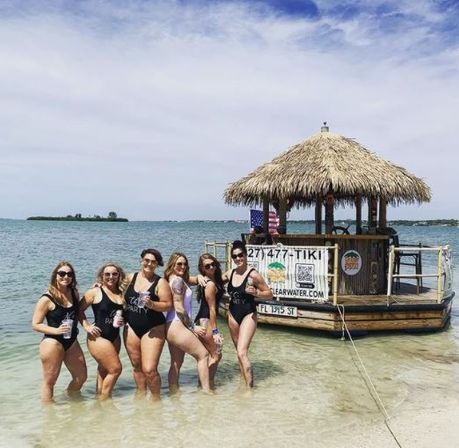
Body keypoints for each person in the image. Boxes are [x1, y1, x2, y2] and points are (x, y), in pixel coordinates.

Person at [32, 262, 87, 402]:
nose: (65, 277)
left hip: (71, 340)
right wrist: (56, 330)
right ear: (55, 276)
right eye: (62, 273)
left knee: (81, 377)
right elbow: (36, 324)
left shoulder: (73, 293)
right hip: (52, 342)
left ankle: (70, 400)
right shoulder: (47, 298)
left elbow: (79, 312)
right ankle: (50, 416)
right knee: (50, 382)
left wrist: (86, 325)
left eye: (69, 274)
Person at [123, 249, 172, 399]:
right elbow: (114, 289)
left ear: (157, 264)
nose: (149, 264)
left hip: (153, 327)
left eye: (153, 262)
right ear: (141, 260)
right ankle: (141, 394)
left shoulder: (160, 282)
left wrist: (152, 304)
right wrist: (97, 286)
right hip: (131, 326)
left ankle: (156, 399)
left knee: (149, 369)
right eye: (146, 260)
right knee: (137, 365)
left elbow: (168, 304)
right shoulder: (130, 277)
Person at [225, 240, 272, 388]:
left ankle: (249, 390)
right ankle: (243, 382)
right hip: (232, 314)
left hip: (248, 314)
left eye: (240, 255)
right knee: (238, 352)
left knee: (241, 352)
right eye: (235, 256)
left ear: (245, 255)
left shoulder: (253, 275)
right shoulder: (230, 273)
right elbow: (213, 279)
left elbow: (269, 294)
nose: (238, 259)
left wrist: (257, 293)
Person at [79, 263, 127, 400]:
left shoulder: (122, 293)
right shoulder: (95, 292)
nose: (111, 277)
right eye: (107, 274)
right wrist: (87, 326)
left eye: (114, 274)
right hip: (98, 337)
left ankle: (98, 399)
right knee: (116, 369)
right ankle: (105, 400)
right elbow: (79, 310)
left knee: (104, 369)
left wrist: (124, 321)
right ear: (102, 276)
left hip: (115, 337)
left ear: (119, 276)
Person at [164, 252, 210, 393]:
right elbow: (178, 307)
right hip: (178, 325)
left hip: (170, 325)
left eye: (185, 264)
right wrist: (193, 327)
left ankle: (174, 393)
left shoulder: (171, 279)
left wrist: (200, 277)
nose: (183, 266)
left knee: (176, 363)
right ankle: (207, 392)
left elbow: (192, 279)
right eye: (179, 264)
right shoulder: (178, 281)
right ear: (172, 265)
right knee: (203, 355)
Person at [194, 253, 225, 389]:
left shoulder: (211, 280)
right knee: (215, 355)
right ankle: (207, 385)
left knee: (212, 354)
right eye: (208, 266)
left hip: (203, 320)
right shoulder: (210, 285)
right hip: (205, 321)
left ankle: (204, 384)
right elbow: (212, 309)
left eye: (214, 264)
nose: (212, 267)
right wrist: (215, 331)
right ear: (202, 268)